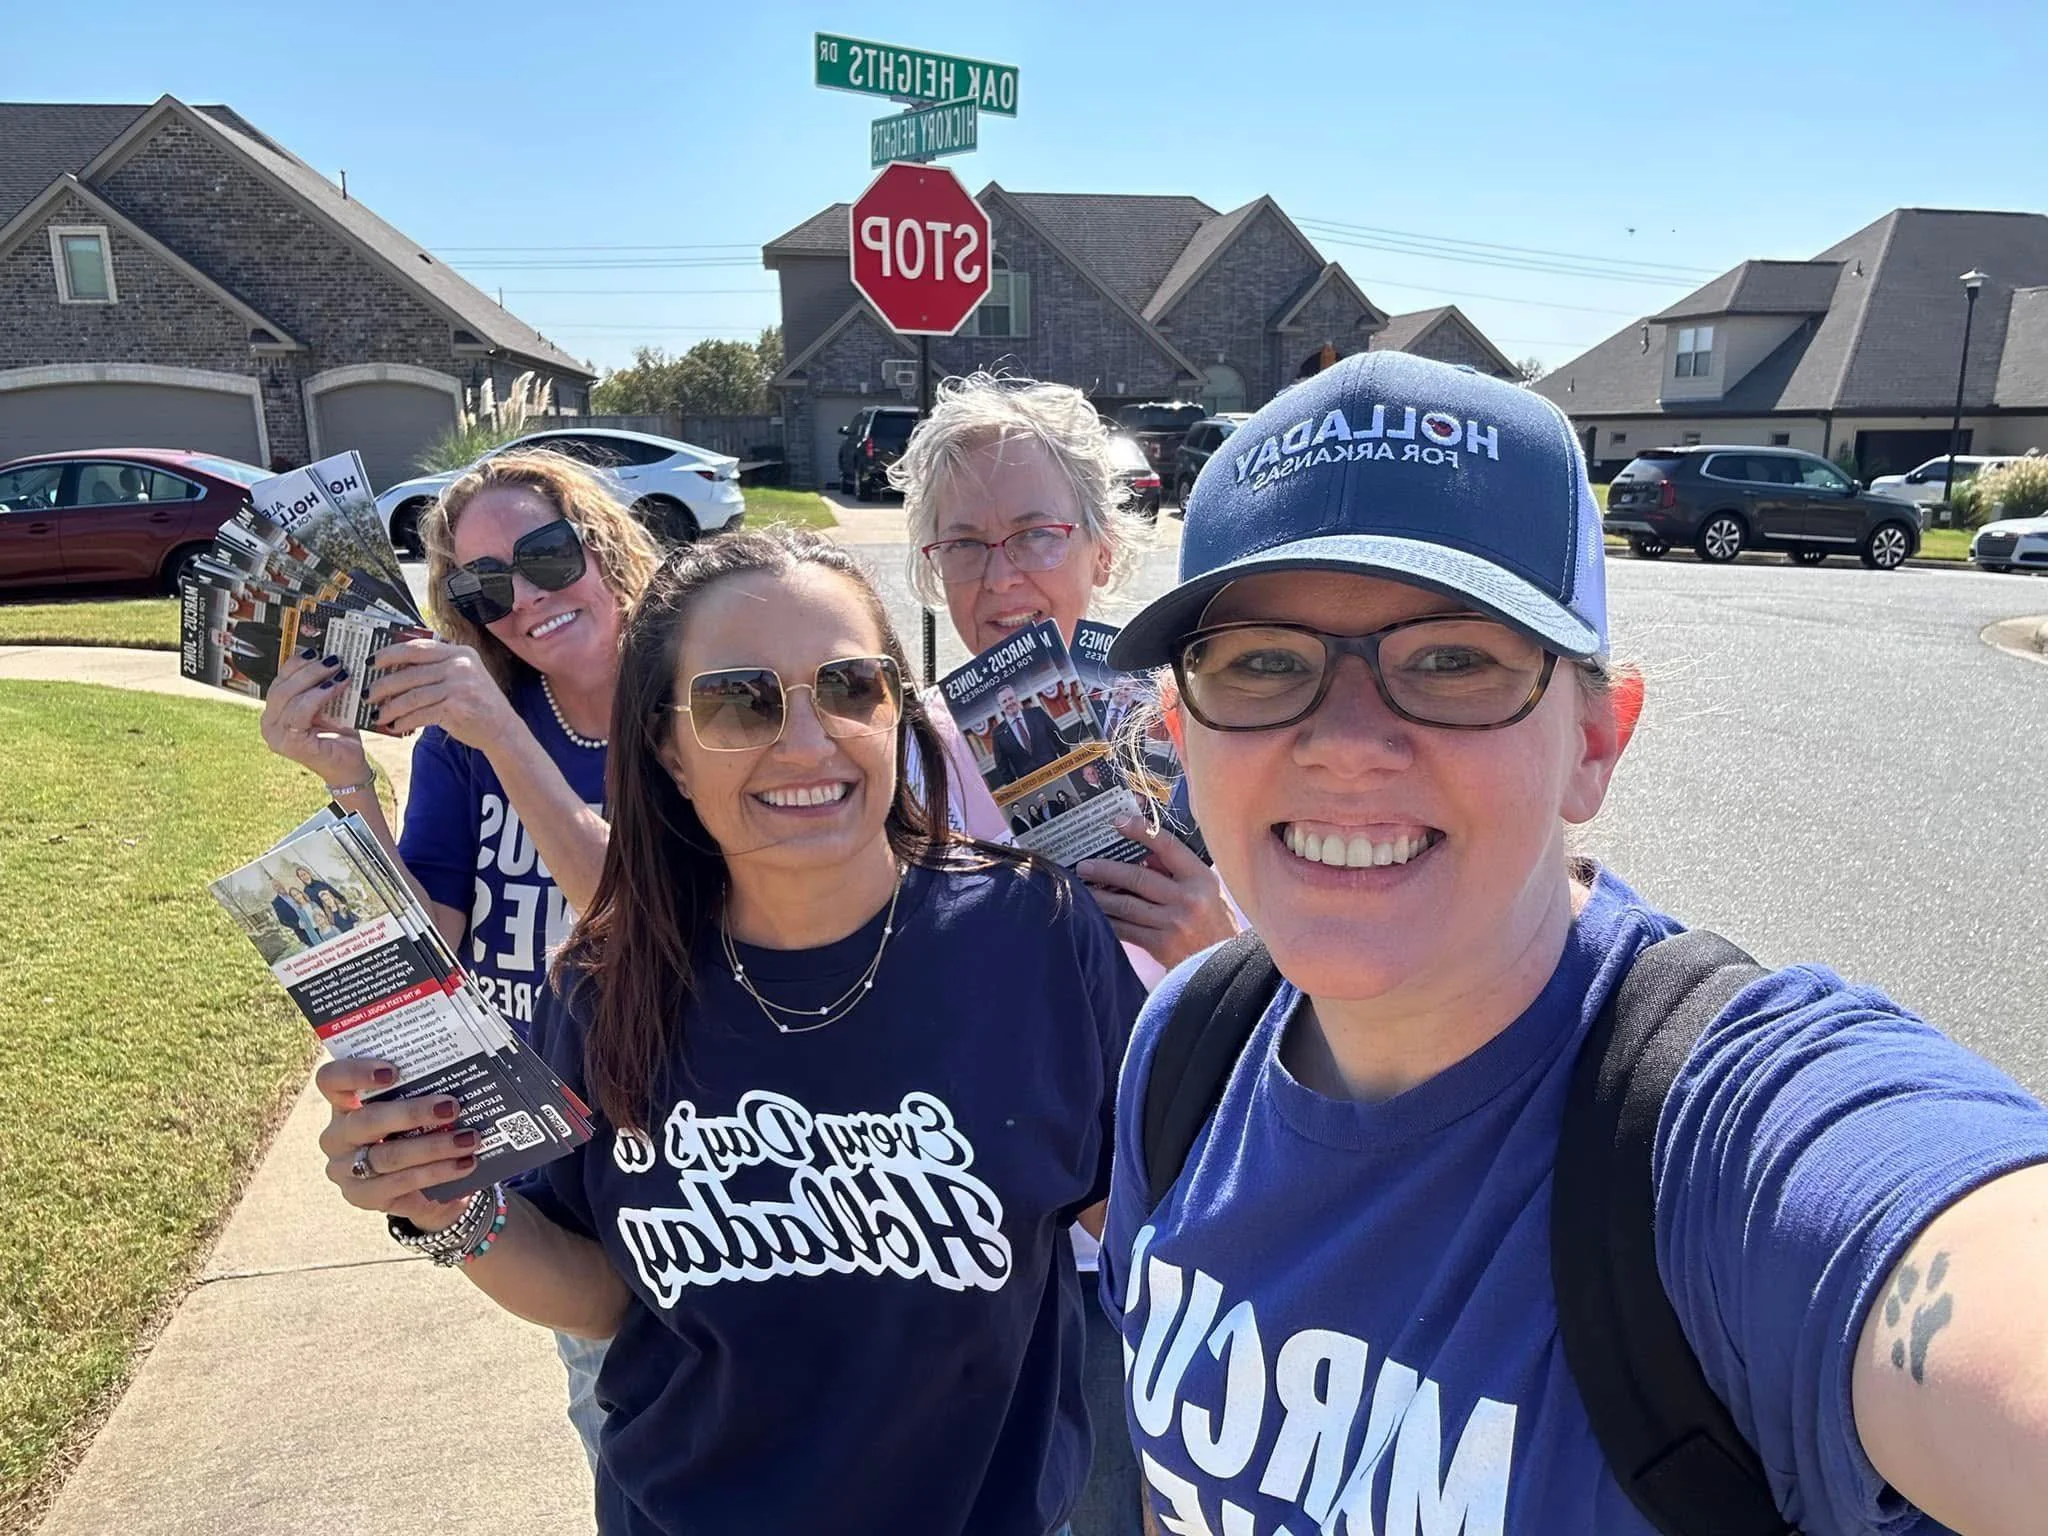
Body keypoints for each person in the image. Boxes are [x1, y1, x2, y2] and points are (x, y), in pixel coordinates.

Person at [1097, 350, 2048, 1535]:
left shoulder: (1724, 1140)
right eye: (1261, 663)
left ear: (1594, 742)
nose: (1344, 741)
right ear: (1180, 734)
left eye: (1451, 659)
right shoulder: (1187, 1049)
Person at [314, 526, 1146, 1535]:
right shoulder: (607, 984)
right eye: (738, 701)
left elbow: (1143, 1227)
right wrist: (447, 1200)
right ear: (666, 749)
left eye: (850, 686)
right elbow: (604, 1295)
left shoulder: (1032, 936)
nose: (806, 742)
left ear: (895, 707)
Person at [258, 447, 658, 1470]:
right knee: (622, 1432)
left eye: (546, 555)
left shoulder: (696, 701)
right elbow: (427, 942)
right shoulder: (455, 744)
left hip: (690, 1122)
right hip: (559, 1151)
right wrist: (348, 781)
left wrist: (497, 731)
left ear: (604, 545)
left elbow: (632, 914)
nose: (525, 599)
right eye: (484, 589)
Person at [896, 372, 1243, 1536]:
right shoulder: (896, 762)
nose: (999, 577)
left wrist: (1212, 945)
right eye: (963, 544)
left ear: (1101, 547)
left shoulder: (1205, 728)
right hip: (1008, 1250)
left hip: (1192, 1225)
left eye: (1035, 534)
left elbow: (1334, 997)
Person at [991, 683, 1070, 781]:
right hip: (1030, 784)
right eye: (1004, 701)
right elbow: (1002, 767)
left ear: (1016, 697)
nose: (1009, 703)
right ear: (1000, 706)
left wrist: (1066, 767)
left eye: (1011, 698)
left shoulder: (1037, 713)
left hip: (1056, 773)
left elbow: (1059, 740)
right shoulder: (998, 734)